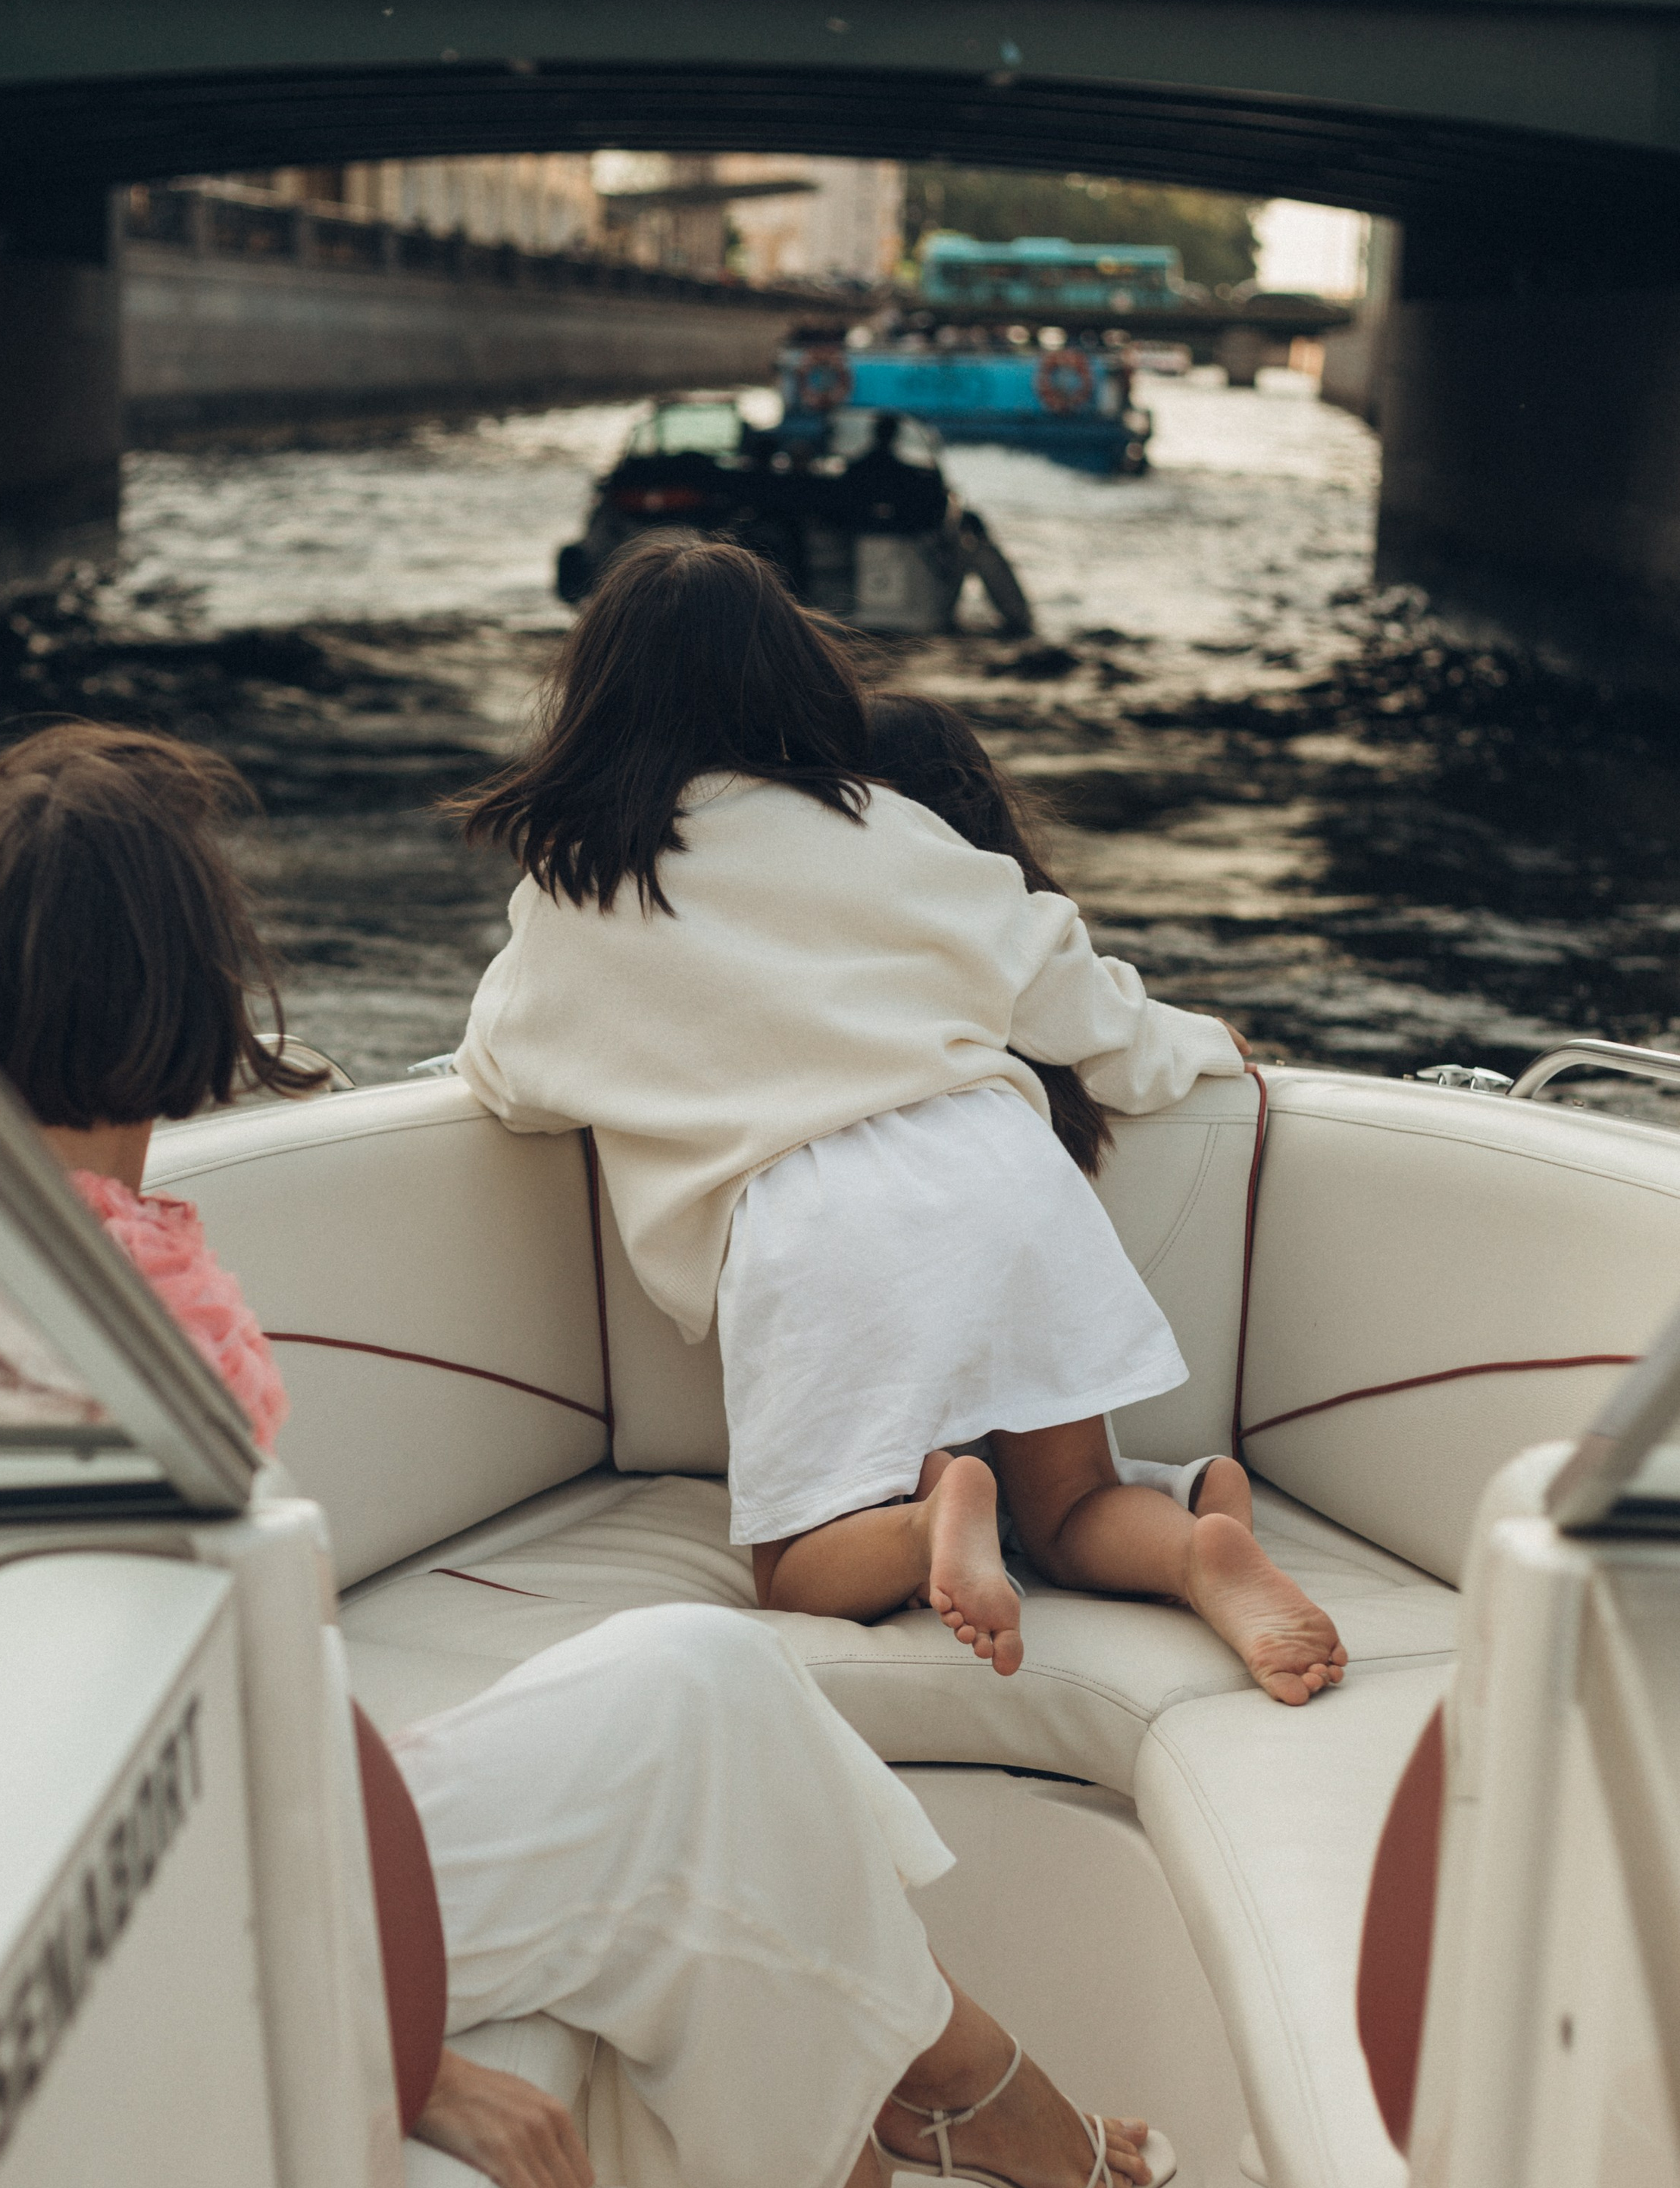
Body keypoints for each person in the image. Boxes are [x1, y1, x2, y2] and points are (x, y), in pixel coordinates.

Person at [0, 717, 1171, 2188]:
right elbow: (92, 1796)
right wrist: (392, 2054)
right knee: (704, 1799)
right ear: (182, 984)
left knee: (707, 1680)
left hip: (251, 1825)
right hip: (205, 1914)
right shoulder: (86, 1326)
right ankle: (932, 2179)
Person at [452, 535, 1346, 1707]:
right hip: (1002, 1171)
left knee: (796, 1569)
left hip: (814, 1220)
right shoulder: (878, 820)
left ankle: (932, 1519)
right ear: (796, 677)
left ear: (594, 702)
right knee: (1074, 1506)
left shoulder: (580, 883)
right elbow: (1062, 986)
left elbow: (506, 1072)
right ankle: (1192, 1552)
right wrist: (1194, 1042)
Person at [864, 692, 1254, 1538]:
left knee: (888, 1496)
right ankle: (1185, 1514)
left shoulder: (831, 927)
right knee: (1070, 1505)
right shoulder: (1004, 918)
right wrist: (1214, 1041)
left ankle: (937, 1504)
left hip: (883, 1235)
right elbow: (1117, 1040)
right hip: (1025, 1207)